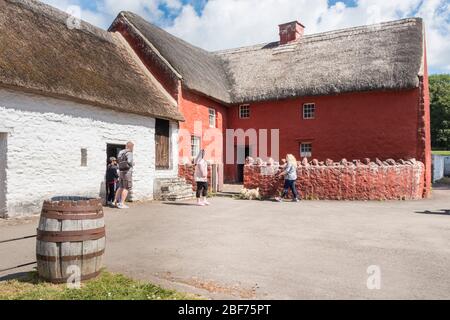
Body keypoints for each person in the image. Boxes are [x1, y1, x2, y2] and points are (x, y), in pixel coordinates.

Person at [114, 141, 135, 209]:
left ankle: (115, 201)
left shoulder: (121, 152)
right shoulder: (129, 153)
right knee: (126, 187)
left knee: (121, 187)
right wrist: (132, 164)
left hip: (121, 171)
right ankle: (122, 203)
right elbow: (129, 161)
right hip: (127, 172)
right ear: (131, 147)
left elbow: (118, 160)